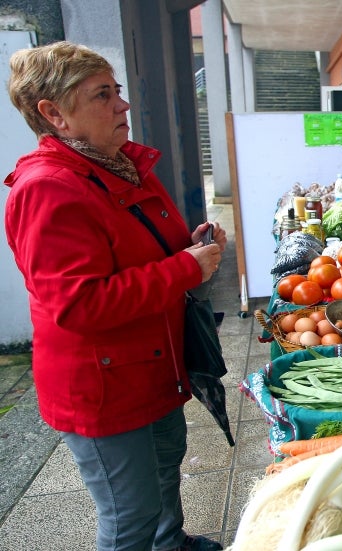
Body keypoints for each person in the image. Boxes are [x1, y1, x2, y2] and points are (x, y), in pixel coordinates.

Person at [4, 42, 226, 551]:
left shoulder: (114, 165)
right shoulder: (48, 189)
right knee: (130, 516)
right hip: (103, 383)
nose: (122, 106)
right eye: (103, 95)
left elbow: (135, 251)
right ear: (54, 113)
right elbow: (78, 305)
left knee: (167, 470)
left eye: (118, 91)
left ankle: (172, 545)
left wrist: (190, 249)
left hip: (151, 366)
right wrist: (181, 270)